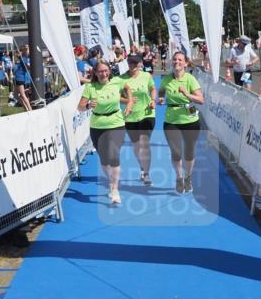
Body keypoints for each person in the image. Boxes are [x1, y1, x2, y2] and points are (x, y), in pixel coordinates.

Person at [78, 61, 133, 205]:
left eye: (106, 71)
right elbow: (80, 107)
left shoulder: (116, 81)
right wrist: (88, 105)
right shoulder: (90, 87)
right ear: (95, 73)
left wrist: (130, 102)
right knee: (104, 159)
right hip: (97, 125)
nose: (104, 74)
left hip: (116, 122)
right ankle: (111, 181)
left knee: (114, 155)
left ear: (109, 71)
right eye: (100, 71)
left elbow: (127, 88)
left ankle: (115, 190)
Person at [159, 52, 205, 193]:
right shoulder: (166, 79)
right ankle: (179, 178)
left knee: (189, 152)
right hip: (171, 120)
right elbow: (161, 92)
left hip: (190, 120)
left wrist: (187, 94)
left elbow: (201, 100)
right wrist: (161, 98)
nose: (176, 61)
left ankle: (188, 177)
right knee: (176, 152)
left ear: (185, 63)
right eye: (174, 59)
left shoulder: (190, 79)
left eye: (180, 60)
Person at [123, 53, 157, 186]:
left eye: (134, 63)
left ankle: (147, 174)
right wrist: (127, 100)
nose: (132, 65)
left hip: (147, 114)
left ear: (139, 64)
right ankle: (142, 168)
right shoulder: (121, 79)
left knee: (144, 143)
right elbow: (117, 97)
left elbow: (153, 88)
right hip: (130, 116)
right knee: (137, 147)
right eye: (130, 62)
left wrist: (153, 100)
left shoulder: (146, 76)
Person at [13, 44, 33, 111]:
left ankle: (29, 109)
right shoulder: (23, 58)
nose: (16, 54)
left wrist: (31, 67)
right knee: (15, 95)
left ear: (22, 52)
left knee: (22, 95)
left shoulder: (23, 58)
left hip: (20, 78)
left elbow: (27, 67)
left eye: (18, 52)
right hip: (19, 78)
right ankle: (26, 109)